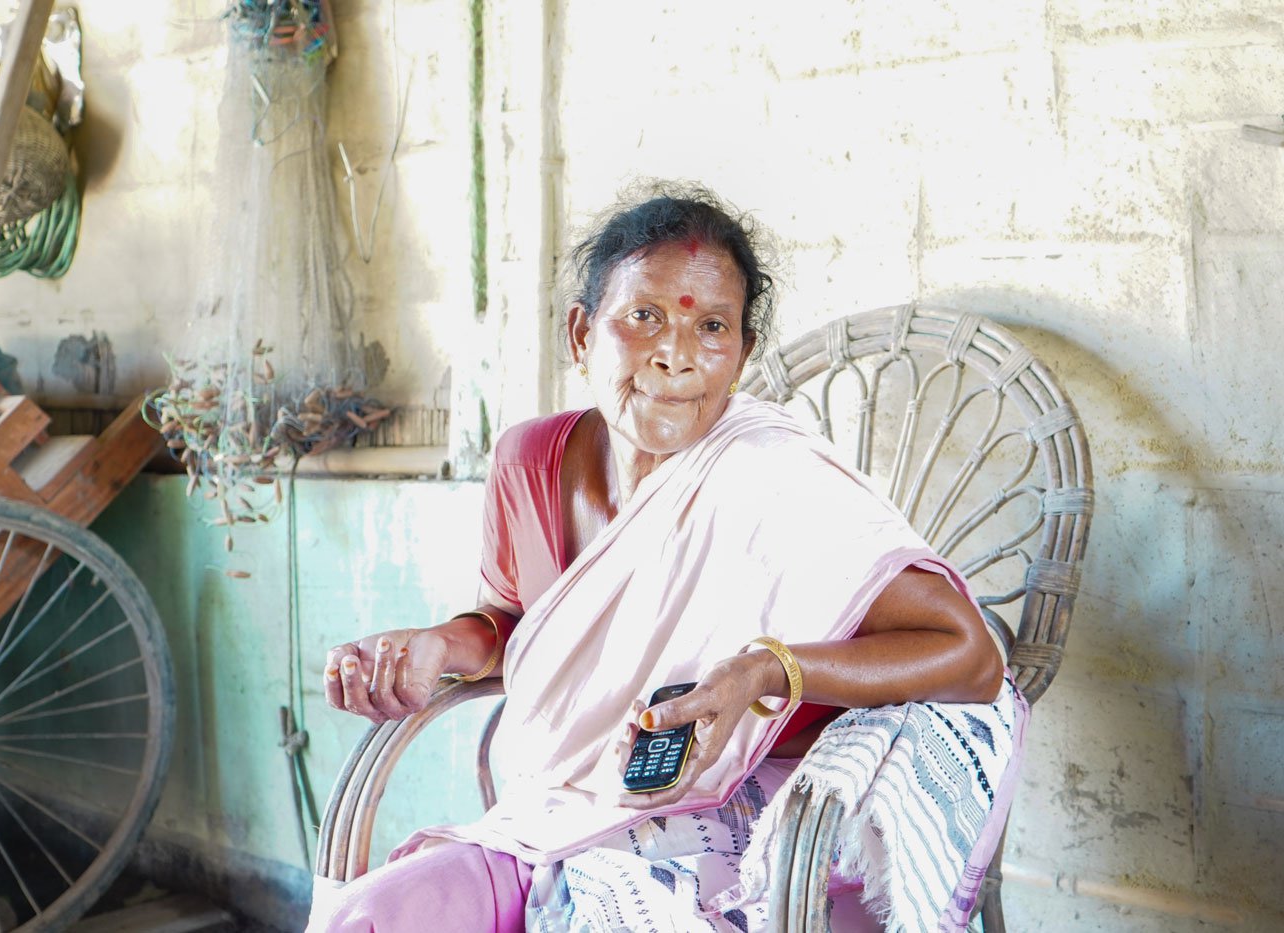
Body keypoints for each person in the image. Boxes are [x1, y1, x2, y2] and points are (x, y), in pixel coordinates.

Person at [309, 183, 1015, 932]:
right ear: (582, 333)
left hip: (755, 821)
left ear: (740, 357)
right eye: (643, 317)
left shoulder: (769, 476)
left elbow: (970, 656)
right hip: (563, 807)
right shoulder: (530, 459)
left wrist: (764, 671)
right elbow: (525, 625)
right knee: (369, 917)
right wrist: (439, 645)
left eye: (712, 327)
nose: (676, 356)